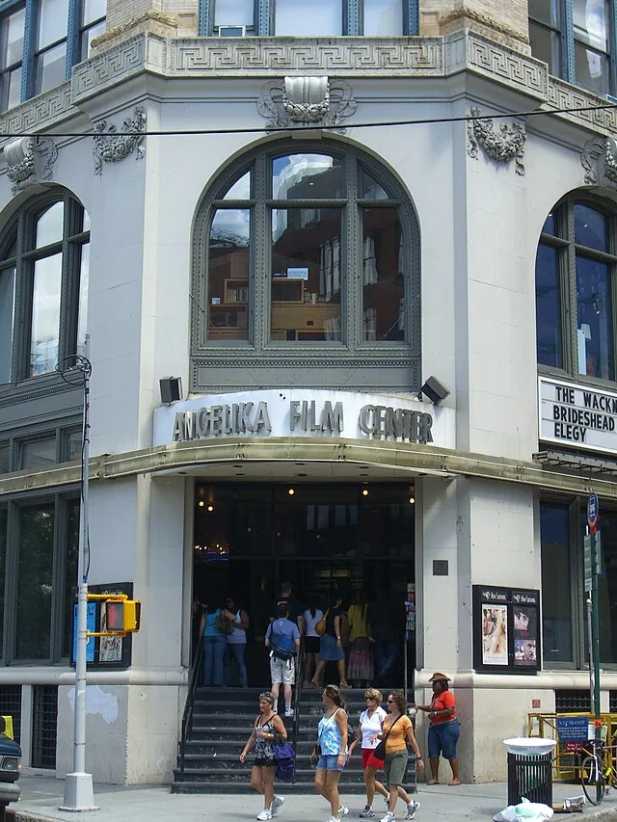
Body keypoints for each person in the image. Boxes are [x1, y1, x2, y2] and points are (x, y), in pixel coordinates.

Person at [240, 691, 288, 821]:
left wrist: (267, 735)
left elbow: (284, 735)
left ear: (270, 705)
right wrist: (245, 751)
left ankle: (267, 810)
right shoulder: (259, 718)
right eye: (260, 702)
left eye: (264, 703)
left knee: (268, 783)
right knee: (255, 782)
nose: (261, 705)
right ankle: (274, 799)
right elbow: (253, 736)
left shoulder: (275, 718)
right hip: (260, 753)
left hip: (271, 754)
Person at [377, 691, 423, 822]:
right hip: (387, 754)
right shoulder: (386, 718)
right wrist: (378, 736)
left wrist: (419, 758)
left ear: (397, 704)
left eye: (390, 701)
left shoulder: (405, 719)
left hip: (399, 753)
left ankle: (390, 814)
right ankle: (411, 804)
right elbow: (385, 735)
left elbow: (412, 739)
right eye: (387, 701)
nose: (387, 704)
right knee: (393, 784)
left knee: (393, 785)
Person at [348, 688, 390, 818]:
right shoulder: (363, 715)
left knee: (368, 777)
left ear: (376, 701)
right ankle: (387, 795)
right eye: (367, 699)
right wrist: (351, 747)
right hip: (365, 748)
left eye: (371, 699)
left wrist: (378, 737)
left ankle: (369, 806)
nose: (368, 701)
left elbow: (386, 733)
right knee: (369, 778)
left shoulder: (381, 714)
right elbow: (359, 735)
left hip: (377, 749)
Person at [312, 684, 349, 822]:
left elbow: (344, 734)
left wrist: (342, 754)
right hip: (324, 752)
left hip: (335, 752)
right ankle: (338, 806)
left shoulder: (340, 712)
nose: (322, 696)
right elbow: (322, 733)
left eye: (324, 694)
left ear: (330, 696)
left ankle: (335, 816)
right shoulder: (326, 712)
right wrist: (316, 749)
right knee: (318, 784)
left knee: (331, 786)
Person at [416, 673, 460, 785]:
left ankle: (456, 777)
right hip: (435, 727)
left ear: (442, 684)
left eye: (435, 683)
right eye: (433, 683)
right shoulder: (435, 696)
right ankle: (435, 778)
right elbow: (431, 708)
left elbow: (450, 710)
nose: (433, 685)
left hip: (448, 726)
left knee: (450, 751)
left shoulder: (447, 695)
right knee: (433, 752)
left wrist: (436, 714)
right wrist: (420, 707)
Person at [266, 601, 301, 717]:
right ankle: (287, 709)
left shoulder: (272, 625)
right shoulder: (292, 625)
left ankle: (274, 709)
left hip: (275, 656)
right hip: (288, 658)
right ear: (287, 613)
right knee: (287, 683)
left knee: (275, 683)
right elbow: (297, 643)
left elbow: (266, 642)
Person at [311, 595, 350, 689]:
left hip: (324, 637)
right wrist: (339, 638)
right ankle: (342, 681)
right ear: (338, 601)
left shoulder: (328, 610)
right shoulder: (337, 611)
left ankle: (315, 678)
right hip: (332, 638)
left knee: (324, 658)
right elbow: (336, 624)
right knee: (341, 657)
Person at [369, 595, 404, 685]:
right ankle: (383, 678)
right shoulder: (395, 606)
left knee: (383, 660)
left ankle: (381, 677)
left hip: (383, 635)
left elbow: (372, 621)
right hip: (388, 635)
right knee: (388, 660)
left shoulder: (375, 606)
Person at [200, 600, 234, 687]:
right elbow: (234, 618)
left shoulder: (206, 613)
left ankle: (207, 682)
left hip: (207, 636)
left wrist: (200, 638)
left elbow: (202, 626)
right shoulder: (221, 611)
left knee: (208, 660)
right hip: (220, 636)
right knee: (218, 660)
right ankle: (218, 682)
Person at [347, 595, 373, 687]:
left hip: (355, 638)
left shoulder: (352, 608)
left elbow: (349, 623)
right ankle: (367, 681)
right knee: (366, 660)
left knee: (356, 661)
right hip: (367, 638)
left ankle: (357, 682)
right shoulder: (368, 607)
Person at [225, 596, 250, 687]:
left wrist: (234, 624)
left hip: (239, 641)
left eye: (230, 602)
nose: (229, 604)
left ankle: (244, 683)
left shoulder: (241, 612)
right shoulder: (226, 613)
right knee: (227, 663)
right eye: (227, 602)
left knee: (240, 662)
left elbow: (246, 625)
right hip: (228, 641)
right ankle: (228, 683)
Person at [302, 601, 324, 687]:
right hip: (317, 637)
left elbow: (304, 625)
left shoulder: (306, 612)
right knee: (317, 660)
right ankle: (317, 680)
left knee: (308, 661)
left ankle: (306, 681)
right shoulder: (320, 612)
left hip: (308, 637)